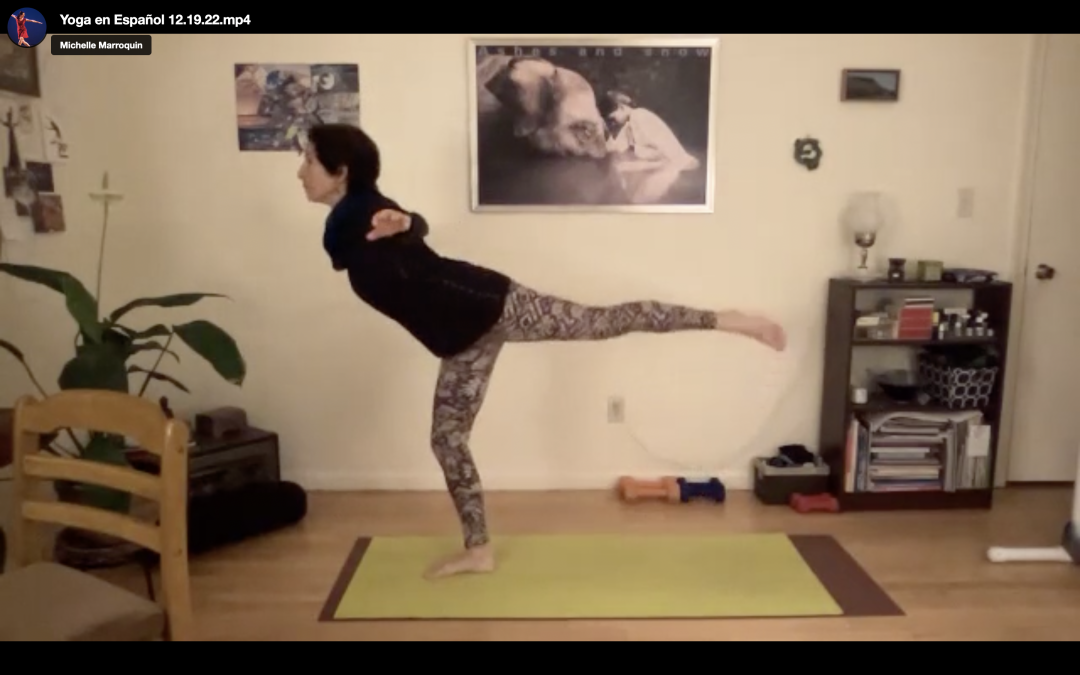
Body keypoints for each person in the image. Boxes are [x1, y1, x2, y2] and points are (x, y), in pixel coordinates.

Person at [298, 123, 787, 580]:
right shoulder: (342, 229)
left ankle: (726, 319)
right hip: (460, 341)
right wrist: (406, 224)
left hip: (493, 306)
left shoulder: (367, 211)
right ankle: (479, 551)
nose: (301, 172)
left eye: (309, 161)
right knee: (447, 441)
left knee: (605, 321)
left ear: (341, 172)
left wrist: (406, 222)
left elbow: (406, 224)